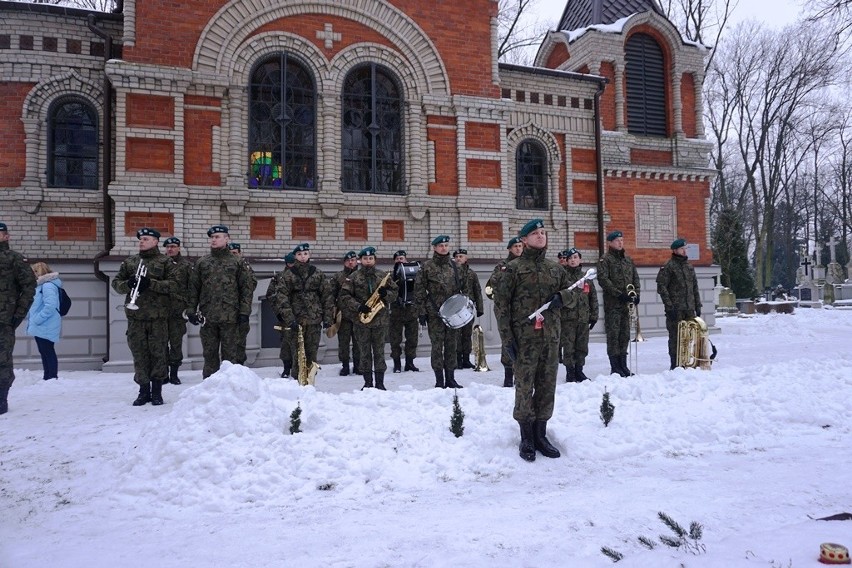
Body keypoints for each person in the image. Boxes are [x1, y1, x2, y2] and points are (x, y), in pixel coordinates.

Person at [494, 219, 576, 461]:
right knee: (524, 386)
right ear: (524, 239)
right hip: (524, 340)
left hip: (550, 339)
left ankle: (541, 434)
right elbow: (501, 307)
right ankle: (526, 437)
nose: (541, 236)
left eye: (543, 232)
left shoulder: (555, 269)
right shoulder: (513, 269)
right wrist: (507, 339)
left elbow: (572, 296)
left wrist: (563, 297)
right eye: (535, 233)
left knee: (547, 385)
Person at [112, 228, 178, 406]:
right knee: (139, 354)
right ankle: (143, 391)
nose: (142, 242)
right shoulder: (131, 262)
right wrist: (128, 284)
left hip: (158, 317)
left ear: (156, 241)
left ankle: (157, 391)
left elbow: (174, 285)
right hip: (136, 317)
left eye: (146, 239)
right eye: (141, 239)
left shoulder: (166, 262)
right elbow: (116, 284)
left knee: (158, 354)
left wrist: (151, 283)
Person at [187, 225, 254, 379]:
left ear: (226, 239)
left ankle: (230, 389)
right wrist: (191, 309)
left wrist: (244, 311)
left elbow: (246, 288)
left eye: (217, 237)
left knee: (230, 356)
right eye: (212, 237)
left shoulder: (237, 262)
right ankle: (210, 389)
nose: (214, 240)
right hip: (208, 317)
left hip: (231, 317)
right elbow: (194, 288)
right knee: (209, 354)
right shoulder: (202, 263)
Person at [272, 243, 333, 382]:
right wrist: (289, 319)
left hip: (314, 319)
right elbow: (282, 297)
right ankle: (297, 382)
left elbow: (327, 296)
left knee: (312, 353)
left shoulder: (318, 273)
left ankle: (310, 383)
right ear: (295, 257)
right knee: (297, 354)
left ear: (309, 255)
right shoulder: (288, 275)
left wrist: (328, 318)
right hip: (296, 321)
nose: (303, 257)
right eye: (299, 254)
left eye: (305, 254)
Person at [338, 246, 398, 390]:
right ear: (361, 260)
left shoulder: (382, 276)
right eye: (365, 259)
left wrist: (386, 295)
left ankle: (380, 382)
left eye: (371, 258)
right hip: (361, 321)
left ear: (374, 260)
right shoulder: (353, 277)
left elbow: (395, 292)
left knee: (379, 352)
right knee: (364, 352)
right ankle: (367, 382)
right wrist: (358, 306)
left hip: (380, 320)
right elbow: (344, 297)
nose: (368, 261)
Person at [415, 235, 465, 389]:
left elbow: (462, 288)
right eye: (440, 245)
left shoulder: (454, 266)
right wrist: (421, 312)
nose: (444, 248)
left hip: (452, 314)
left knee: (451, 345)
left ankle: (451, 378)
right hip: (434, 313)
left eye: (446, 245)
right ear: (434, 248)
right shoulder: (427, 267)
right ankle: (439, 380)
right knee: (437, 346)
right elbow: (419, 290)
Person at [0, 222, 36, 414]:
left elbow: (29, 287)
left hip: (3, 320)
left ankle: (1, 399)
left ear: (6, 236)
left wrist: (19, 314)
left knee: (2, 360)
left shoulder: (14, 259)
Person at [597, 230, 640, 377]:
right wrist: (618, 294)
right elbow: (604, 280)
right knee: (614, 335)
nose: (620, 242)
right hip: (613, 305)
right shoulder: (605, 260)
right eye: (617, 240)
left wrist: (636, 295)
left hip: (626, 305)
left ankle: (623, 365)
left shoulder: (628, 260)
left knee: (625, 334)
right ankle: (615, 366)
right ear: (609, 243)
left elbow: (635, 279)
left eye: (621, 240)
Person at [656, 238, 702, 370]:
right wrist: (669, 306)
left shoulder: (688, 266)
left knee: (688, 336)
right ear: (675, 250)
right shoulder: (669, 266)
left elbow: (694, 287)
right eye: (682, 249)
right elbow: (662, 287)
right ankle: (675, 364)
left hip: (689, 308)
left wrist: (697, 305)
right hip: (675, 309)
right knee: (675, 337)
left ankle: (686, 361)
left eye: (685, 249)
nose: (685, 251)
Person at [486, 236, 524, 387]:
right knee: (507, 340)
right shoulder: (502, 265)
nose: (518, 249)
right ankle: (508, 374)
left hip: (522, 309)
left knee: (523, 340)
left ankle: (521, 375)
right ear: (509, 249)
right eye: (515, 246)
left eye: (520, 246)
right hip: (505, 309)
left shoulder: (526, 264)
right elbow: (493, 283)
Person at [558, 248, 598, 382]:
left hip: (583, 318)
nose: (573, 260)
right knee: (568, 347)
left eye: (575, 257)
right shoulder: (563, 277)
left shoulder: (586, 278)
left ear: (580, 259)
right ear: (566, 261)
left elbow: (593, 298)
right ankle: (570, 372)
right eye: (570, 258)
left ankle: (579, 371)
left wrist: (594, 316)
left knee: (582, 346)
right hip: (568, 319)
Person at [26, 262, 63, 382]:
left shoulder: (47, 286)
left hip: (45, 324)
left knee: (47, 351)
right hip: (42, 324)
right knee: (44, 351)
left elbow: (50, 306)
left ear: (38, 272)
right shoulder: (42, 285)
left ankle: (52, 377)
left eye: (34, 272)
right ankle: (48, 376)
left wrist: (37, 319)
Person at [163, 236, 192, 384]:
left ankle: (174, 373)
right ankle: (163, 374)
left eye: (173, 246)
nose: (170, 249)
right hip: (160, 312)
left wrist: (188, 306)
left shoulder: (186, 266)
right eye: (168, 247)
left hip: (177, 311)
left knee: (175, 344)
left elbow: (191, 287)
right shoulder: (160, 264)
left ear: (179, 248)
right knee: (161, 344)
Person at [388, 250, 420, 373]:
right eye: (397, 259)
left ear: (406, 260)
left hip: (411, 310)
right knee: (395, 339)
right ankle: (397, 364)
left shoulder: (413, 273)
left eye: (402, 258)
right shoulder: (390, 276)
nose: (400, 260)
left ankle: (409, 363)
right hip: (396, 312)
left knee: (412, 339)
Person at [266, 252, 296, 377]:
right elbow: (271, 295)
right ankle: (287, 368)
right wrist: (278, 312)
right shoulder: (279, 277)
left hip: (300, 314)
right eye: (291, 263)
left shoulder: (301, 276)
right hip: (285, 315)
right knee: (286, 343)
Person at [453, 248, 484, 370]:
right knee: (456, 335)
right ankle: (457, 359)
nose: (459, 258)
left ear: (466, 258)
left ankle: (466, 359)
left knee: (467, 334)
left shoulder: (471, 274)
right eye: (457, 257)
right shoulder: (451, 273)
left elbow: (478, 291)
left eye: (461, 256)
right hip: (455, 309)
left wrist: (480, 308)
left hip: (468, 309)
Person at [330, 251, 360, 376]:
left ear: (357, 261)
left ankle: (358, 365)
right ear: (344, 262)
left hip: (359, 315)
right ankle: (345, 365)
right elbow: (331, 295)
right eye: (348, 261)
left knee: (359, 342)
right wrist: (332, 313)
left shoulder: (361, 275)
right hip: (343, 316)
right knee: (343, 343)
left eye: (353, 260)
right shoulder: (338, 277)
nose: (351, 262)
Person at [228, 242, 258, 365]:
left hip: (241, 309)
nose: (233, 256)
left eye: (235, 253)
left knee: (240, 340)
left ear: (240, 253)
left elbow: (252, 284)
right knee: (227, 341)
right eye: (230, 253)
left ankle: (239, 365)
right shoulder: (225, 267)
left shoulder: (245, 268)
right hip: (226, 310)